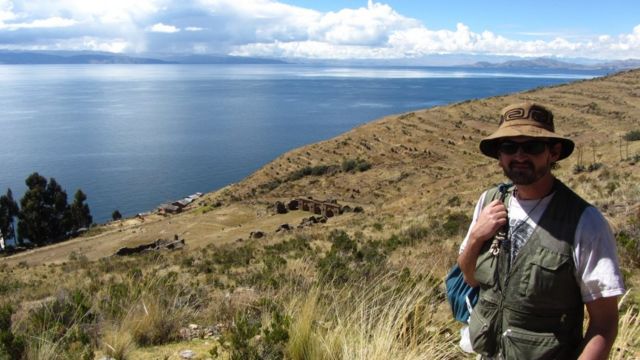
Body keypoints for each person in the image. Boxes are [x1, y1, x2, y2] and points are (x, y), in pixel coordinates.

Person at [457, 102, 625, 360]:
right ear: (499, 155)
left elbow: (604, 324)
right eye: (509, 147)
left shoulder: (585, 222)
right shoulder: (489, 202)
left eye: (532, 147)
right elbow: (470, 278)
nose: (519, 156)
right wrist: (477, 236)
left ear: (553, 153)